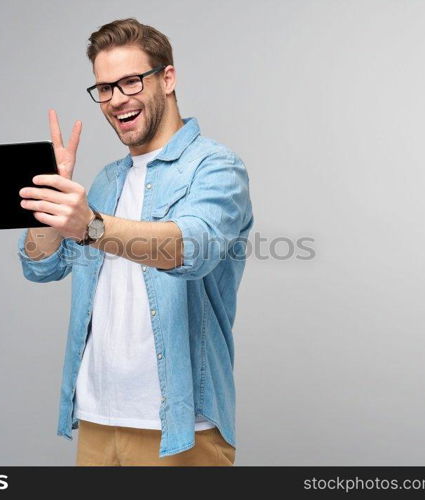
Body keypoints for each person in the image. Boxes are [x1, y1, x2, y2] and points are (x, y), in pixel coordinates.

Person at [17, 18, 253, 466]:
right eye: (104, 88)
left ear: (167, 78)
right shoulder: (106, 181)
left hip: (180, 430)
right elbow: (41, 267)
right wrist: (48, 206)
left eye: (130, 81)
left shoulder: (216, 167)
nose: (116, 99)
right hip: (96, 420)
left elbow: (192, 247)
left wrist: (91, 225)